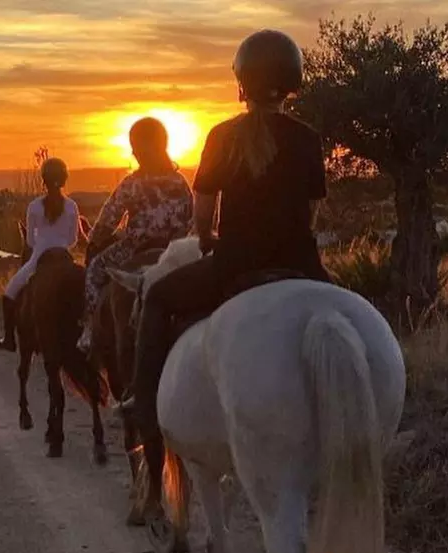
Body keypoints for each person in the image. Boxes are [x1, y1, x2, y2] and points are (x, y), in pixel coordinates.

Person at [122, 29, 333, 433]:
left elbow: (203, 206)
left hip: (236, 264)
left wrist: (206, 239)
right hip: (302, 264)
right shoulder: (308, 138)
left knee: (158, 298)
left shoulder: (222, 136)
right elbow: (310, 212)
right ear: (293, 82)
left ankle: (142, 403)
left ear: (242, 84)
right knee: (357, 312)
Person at [76, 117, 193, 352]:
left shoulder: (132, 183)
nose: (133, 152)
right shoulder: (180, 182)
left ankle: (89, 330)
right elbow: (190, 218)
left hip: (135, 247)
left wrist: (94, 240)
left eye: (135, 146)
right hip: (173, 251)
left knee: (95, 270)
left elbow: (107, 221)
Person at [0, 157, 81, 352]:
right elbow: (73, 239)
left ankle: (9, 338)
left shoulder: (34, 206)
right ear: (65, 179)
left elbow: (30, 242)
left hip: (39, 257)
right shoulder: (72, 206)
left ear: (43, 179)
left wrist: (41, 245)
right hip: (65, 256)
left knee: (9, 292)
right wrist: (60, 243)